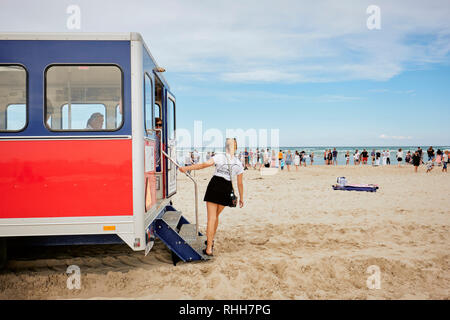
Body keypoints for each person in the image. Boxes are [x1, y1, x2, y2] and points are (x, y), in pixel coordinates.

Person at [179, 138, 244, 257]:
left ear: (226, 147)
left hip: (215, 186)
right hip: (226, 188)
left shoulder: (220, 157)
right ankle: (210, 241)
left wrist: (186, 168)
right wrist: (241, 198)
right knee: (215, 217)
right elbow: (240, 183)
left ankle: (209, 248)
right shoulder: (238, 163)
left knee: (211, 218)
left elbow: (204, 165)